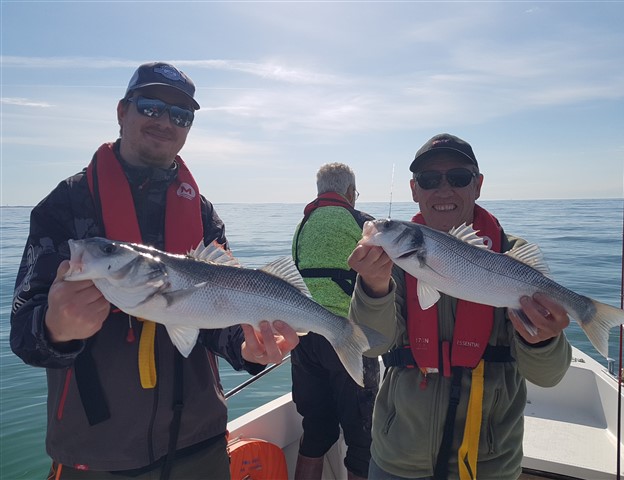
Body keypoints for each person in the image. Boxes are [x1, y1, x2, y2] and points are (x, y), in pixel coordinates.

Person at [10, 61, 299, 480]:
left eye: (181, 116)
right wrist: (55, 327)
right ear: (122, 111)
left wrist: (248, 348)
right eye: (150, 107)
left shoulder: (201, 213)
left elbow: (218, 315)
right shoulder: (64, 207)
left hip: (201, 443)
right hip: (97, 454)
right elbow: (23, 332)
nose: (165, 122)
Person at [347, 133, 572, 480]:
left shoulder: (511, 257)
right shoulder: (391, 261)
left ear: (477, 185)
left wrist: (543, 339)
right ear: (414, 189)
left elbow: (548, 376)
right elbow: (371, 344)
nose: (443, 190)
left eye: (458, 177)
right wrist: (374, 287)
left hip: (489, 466)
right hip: (398, 460)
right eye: (429, 179)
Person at [291, 163, 380, 480]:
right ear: (350, 193)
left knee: (315, 429)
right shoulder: (363, 224)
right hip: (347, 337)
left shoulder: (303, 225)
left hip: (305, 339)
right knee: (362, 438)